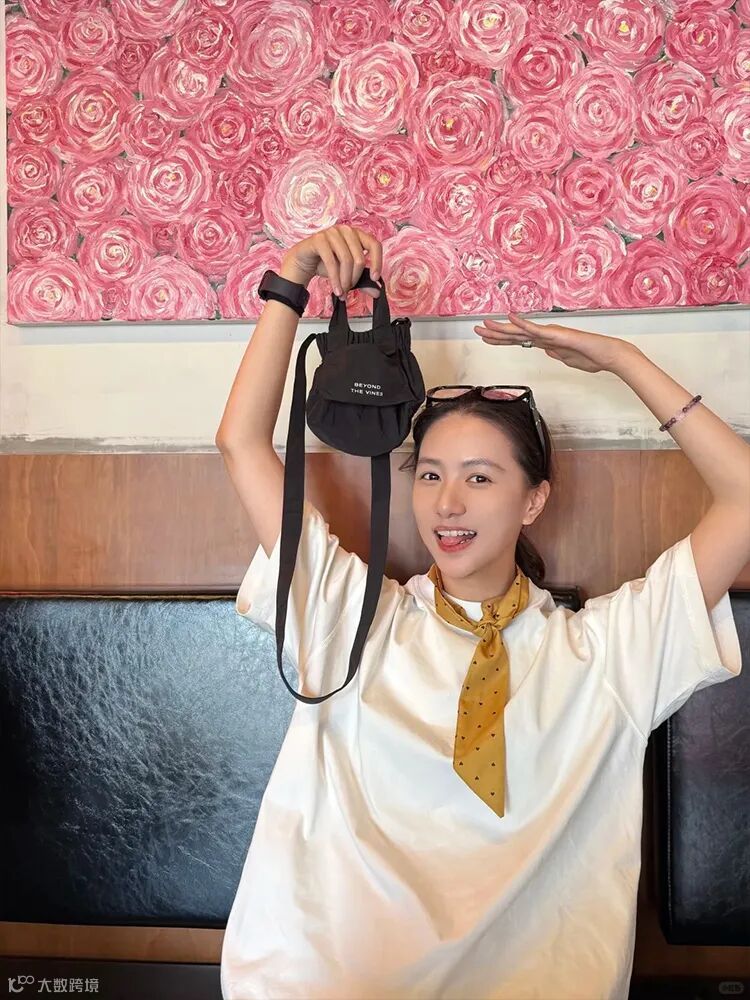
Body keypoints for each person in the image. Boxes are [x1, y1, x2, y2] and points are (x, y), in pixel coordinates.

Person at [215, 225, 748, 1000]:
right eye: (431, 475)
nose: (448, 504)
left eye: (480, 477)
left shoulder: (610, 653)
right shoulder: (351, 618)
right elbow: (241, 444)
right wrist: (289, 285)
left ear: (534, 500)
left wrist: (624, 360)